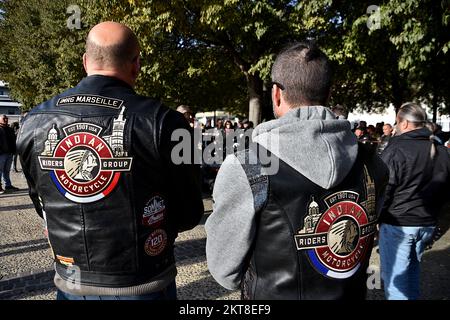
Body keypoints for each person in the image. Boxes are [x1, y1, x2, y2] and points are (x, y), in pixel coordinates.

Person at [16, 21, 204, 300]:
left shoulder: (33, 122)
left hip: (72, 282)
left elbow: (41, 203)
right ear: (136, 64)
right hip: (144, 281)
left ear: (85, 61)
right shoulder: (166, 122)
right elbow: (189, 212)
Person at [205, 41, 388, 300]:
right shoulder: (374, 163)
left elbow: (225, 271)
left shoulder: (248, 166)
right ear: (328, 93)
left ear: (276, 94)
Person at [378, 102, 450, 300]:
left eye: (397, 122)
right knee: (410, 276)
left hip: (399, 225)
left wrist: (377, 216)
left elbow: (384, 189)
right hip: (425, 224)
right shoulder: (440, 150)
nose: (396, 126)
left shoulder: (396, 149)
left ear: (405, 123)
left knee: (397, 285)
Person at [0, 114, 19, 194]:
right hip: (1, 153)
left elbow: (14, 140)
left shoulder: (10, 129)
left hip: (9, 153)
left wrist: (14, 150)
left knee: (6, 171)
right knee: (0, 171)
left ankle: (8, 185)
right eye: (4, 118)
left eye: (6, 118)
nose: (6, 119)